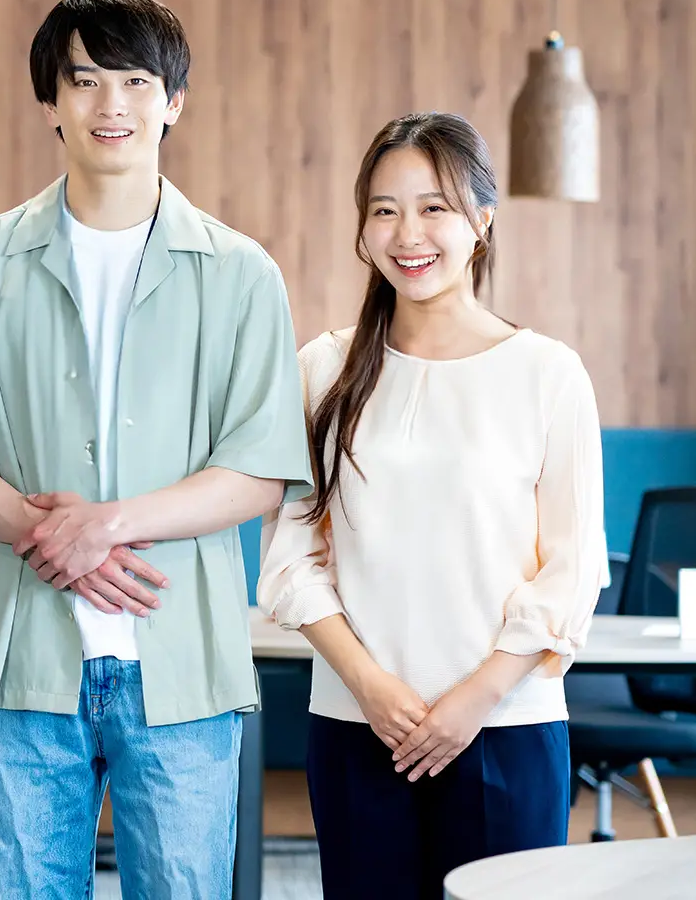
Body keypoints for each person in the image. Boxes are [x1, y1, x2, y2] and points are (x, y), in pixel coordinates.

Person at [0, 0, 313, 899]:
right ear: (49, 102)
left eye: (137, 81)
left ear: (174, 102)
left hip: (185, 667)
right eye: (86, 79)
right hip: (27, 661)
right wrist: (49, 535)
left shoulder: (241, 273)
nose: (112, 104)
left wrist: (105, 526)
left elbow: (260, 469)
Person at [259, 112, 606, 899]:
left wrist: (473, 701)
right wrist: (369, 686)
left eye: (434, 207)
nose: (407, 233)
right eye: (385, 209)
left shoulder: (548, 373)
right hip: (354, 724)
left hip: (506, 726)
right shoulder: (324, 368)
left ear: (482, 219)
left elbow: (573, 568)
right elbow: (290, 559)